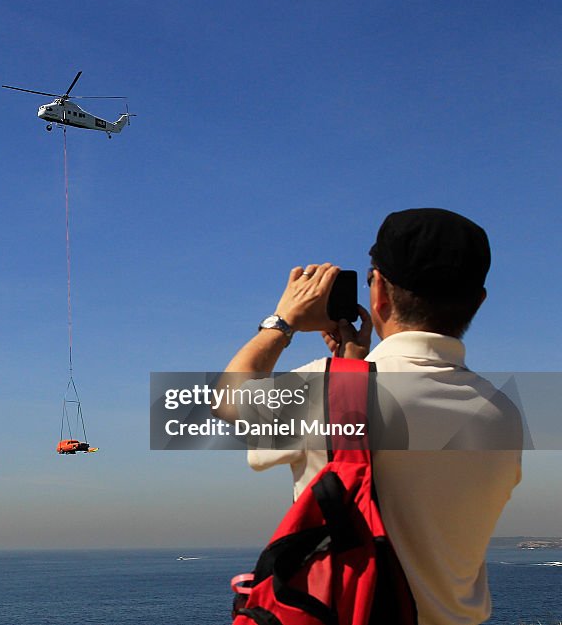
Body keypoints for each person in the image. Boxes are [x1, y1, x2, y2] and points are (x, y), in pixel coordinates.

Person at [216, 209, 522, 624]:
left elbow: (229, 402)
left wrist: (281, 323)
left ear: (379, 293)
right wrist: (350, 367)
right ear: (478, 301)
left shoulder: (325, 391)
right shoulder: (503, 413)